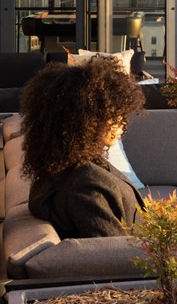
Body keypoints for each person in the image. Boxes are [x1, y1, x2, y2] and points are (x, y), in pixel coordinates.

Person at [21, 56, 145, 239]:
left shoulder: (66, 168)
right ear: (86, 120)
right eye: (115, 115)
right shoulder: (86, 186)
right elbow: (113, 254)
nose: (123, 122)